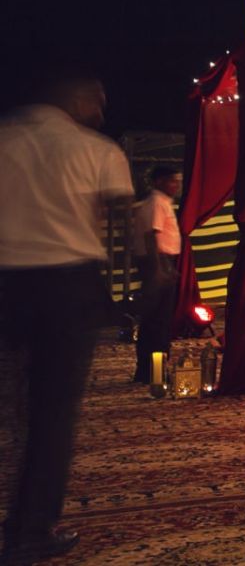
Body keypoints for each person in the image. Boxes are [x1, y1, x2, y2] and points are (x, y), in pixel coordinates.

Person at [0, 73, 133, 562]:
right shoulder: (96, 150)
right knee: (52, 414)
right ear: (73, 97)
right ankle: (30, 529)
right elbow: (122, 220)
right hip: (67, 287)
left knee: (15, 406)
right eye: (97, 101)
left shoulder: (5, 138)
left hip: (7, 282)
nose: (100, 112)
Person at [132, 166, 183, 384]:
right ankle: (153, 372)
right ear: (159, 182)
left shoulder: (161, 202)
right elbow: (151, 237)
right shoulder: (156, 202)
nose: (176, 185)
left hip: (162, 261)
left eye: (177, 181)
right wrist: (159, 269)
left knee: (157, 319)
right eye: (172, 181)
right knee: (157, 320)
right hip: (157, 261)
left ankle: (150, 371)